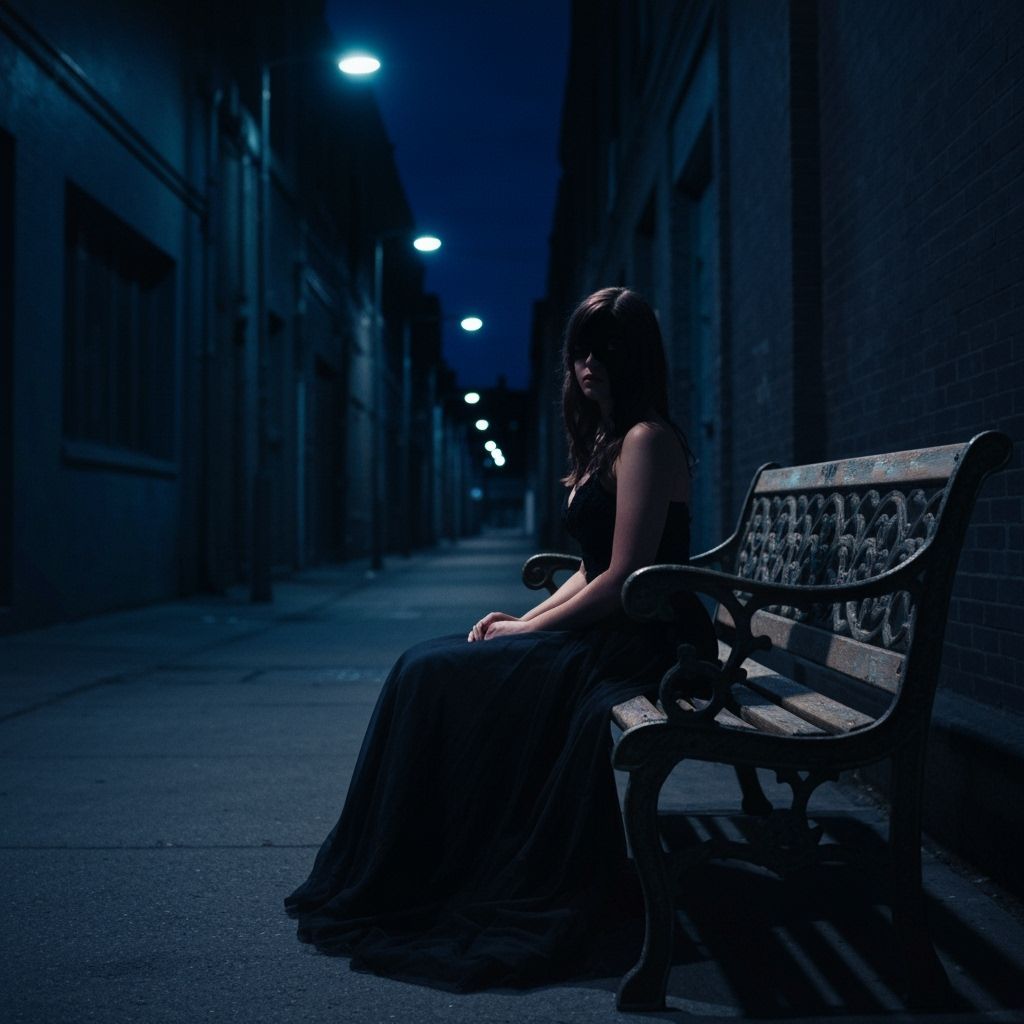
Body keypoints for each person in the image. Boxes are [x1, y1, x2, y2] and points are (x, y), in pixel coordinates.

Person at [285, 287, 717, 991]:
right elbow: (588, 567)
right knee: (424, 664)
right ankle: (413, 866)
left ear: (636, 358)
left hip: (648, 639)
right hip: (614, 623)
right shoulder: (610, 440)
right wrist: (523, 623)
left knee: (439, 674)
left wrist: (530, 629)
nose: (588, 366)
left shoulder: (646, 439)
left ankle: (443, 866)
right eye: (581, 351)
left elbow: (624, 579)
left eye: (606, 351)